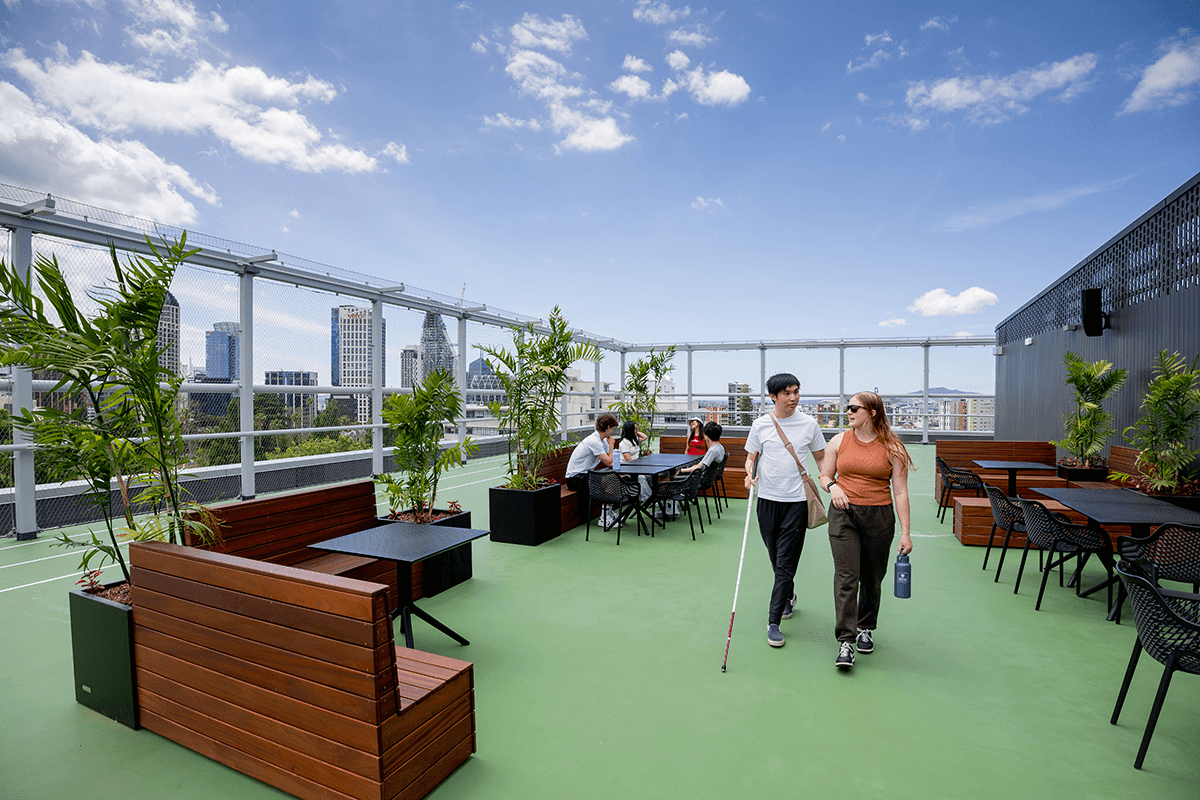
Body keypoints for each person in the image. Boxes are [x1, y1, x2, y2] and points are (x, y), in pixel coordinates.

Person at [818, 391, 913, 670]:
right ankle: (846, 641)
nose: (847, 412)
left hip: (879, 516)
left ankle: (865, 627)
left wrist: (906, 532)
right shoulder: (839, 440)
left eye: (853, 408)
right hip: (844, 515)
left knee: (872, 577)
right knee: (847, 576)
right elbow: (825, 475)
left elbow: (901, 492)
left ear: (872, 412)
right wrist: (833, 487)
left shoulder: (893, 447)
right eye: (847, 408)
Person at [744, 374, 826, 649]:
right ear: (773, 397)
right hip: (766, 500)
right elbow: (751, 456)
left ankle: (774, 621)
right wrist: (748, 474)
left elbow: (822, 458)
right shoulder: (761, 425)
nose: (793, 398)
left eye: (796, 392)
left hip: (796, 503)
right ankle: (788, 594)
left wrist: (831, 481)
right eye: (787, 393)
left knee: (786, 562)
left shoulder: (809, 424)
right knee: (775, 557)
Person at [566, 414, 619, 525]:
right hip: (575, 478)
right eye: (613, 427)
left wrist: (609, 446)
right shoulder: (593, 441)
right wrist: (611, 445)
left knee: (612, 479)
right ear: (608, 427)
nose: (613, 430)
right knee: (610, 480)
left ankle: (608, 513)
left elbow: (610, 461)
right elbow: (609, 462)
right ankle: (604, 518)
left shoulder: (602, 440)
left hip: (584, 475)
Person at [618, 420, 651, 502]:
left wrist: (636, 431)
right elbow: (627, 457)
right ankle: (649, 499)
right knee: (641, 477)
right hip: (627, 467)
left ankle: (642, 496)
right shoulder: (624, 442)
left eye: (637, 428)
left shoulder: (634, 439)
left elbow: (645, 437)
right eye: (635, 428)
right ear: (629, 430)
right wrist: (637, 468)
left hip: (635, 466)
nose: (637, 430)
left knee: (650, 476)